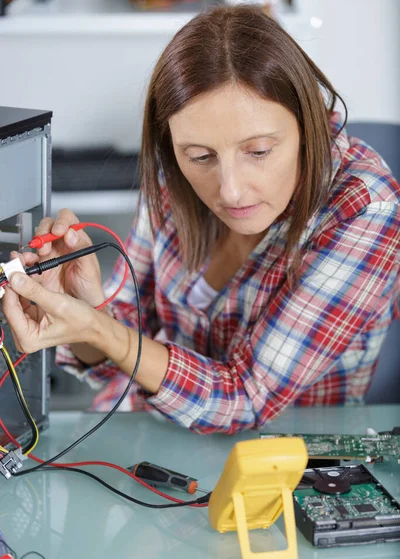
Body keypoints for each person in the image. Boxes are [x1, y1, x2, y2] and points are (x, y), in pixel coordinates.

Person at [3, 5, 400, 434]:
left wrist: (100, 330)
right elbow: (115, 355)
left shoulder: (366, 207)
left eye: (259, 151)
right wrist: (84, 306)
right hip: (152, 437)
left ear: (309, 124)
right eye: (200, 157)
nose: (229, 190)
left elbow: (246, 397)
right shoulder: (169, 173)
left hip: (291, 456)